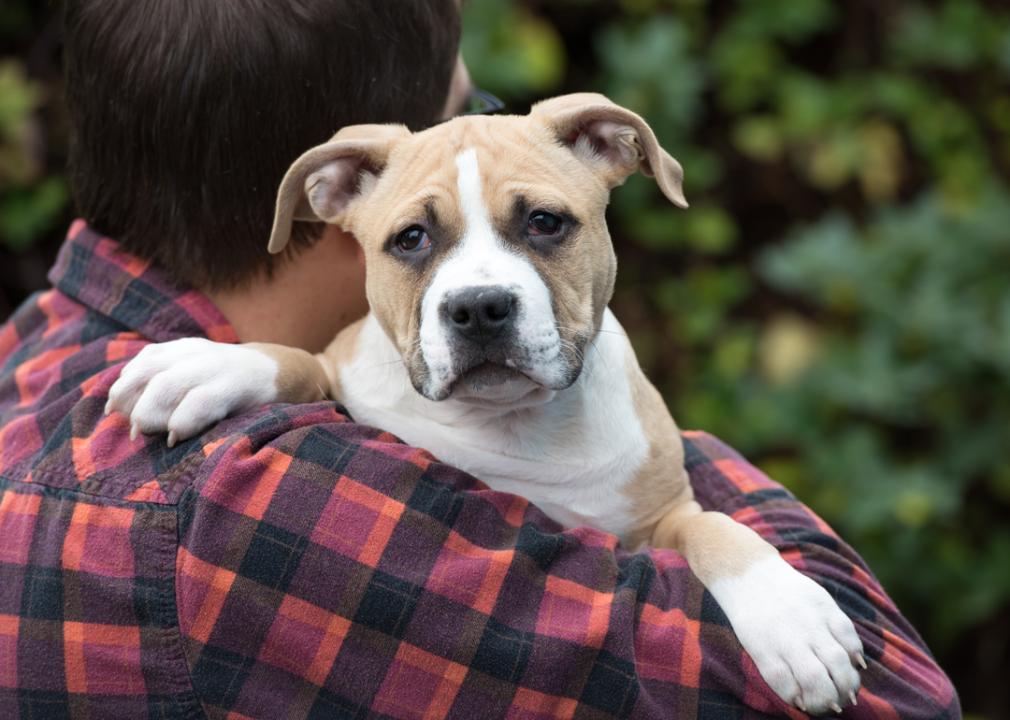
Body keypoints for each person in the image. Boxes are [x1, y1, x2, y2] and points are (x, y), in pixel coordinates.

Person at [0, 1, 959, 718]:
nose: (480, 287)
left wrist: (274, 366)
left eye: (541, 223)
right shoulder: (269, 503)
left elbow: (338, 380)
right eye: (419, 232)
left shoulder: (37, 355)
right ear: (335, 191)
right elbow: (901, 696)